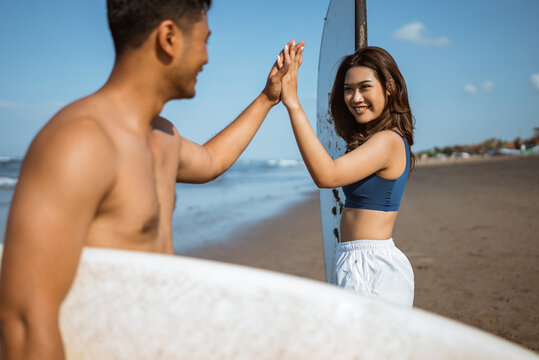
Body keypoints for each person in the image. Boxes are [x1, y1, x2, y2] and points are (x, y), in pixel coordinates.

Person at [0, 0, 303, 358]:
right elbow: (24, 322)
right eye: (204, 40)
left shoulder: (163, 136)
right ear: (169, 38)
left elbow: (211, 161)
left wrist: (268, 98)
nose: (207, 57)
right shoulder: (80, 142)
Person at [278, 44, 415, 307]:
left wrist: (293, 104)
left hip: (373, 266)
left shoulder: (389, 140)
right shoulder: (372, 141)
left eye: (365, 87)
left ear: (389, 87)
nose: (355, 98)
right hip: (354, 259)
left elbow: (327, 176)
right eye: (348, 89)